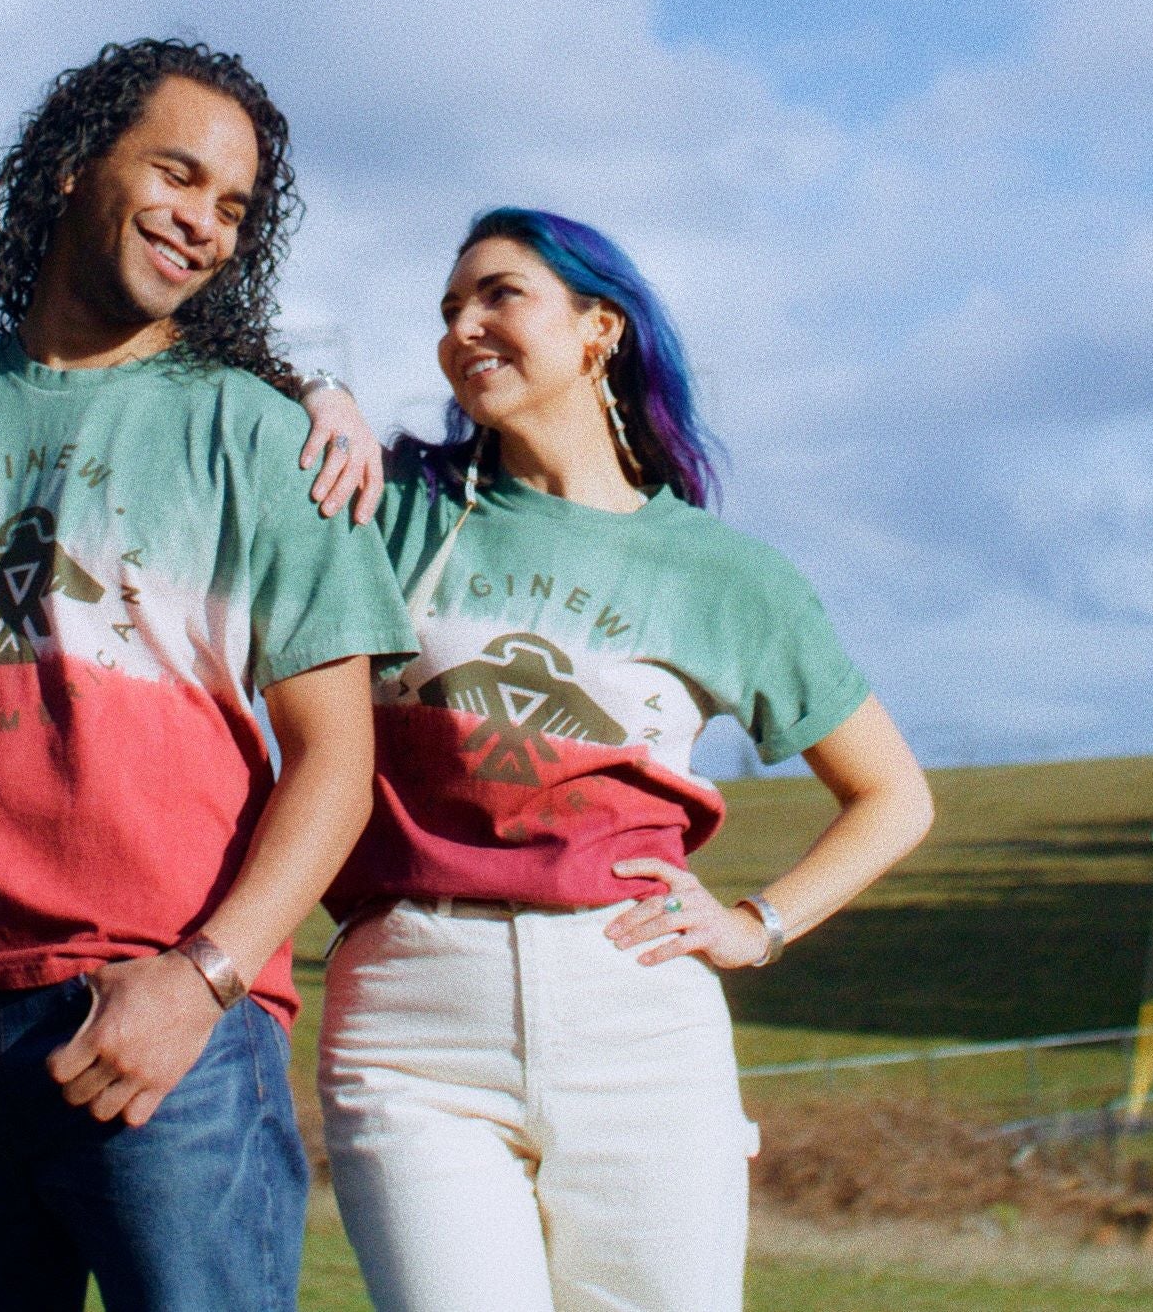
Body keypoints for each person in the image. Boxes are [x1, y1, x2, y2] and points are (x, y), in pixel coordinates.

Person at [0, 39, 416, 1311]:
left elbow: (338, 762)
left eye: (234, 209)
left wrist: (200, 981)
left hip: (168, 1031)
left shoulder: (266, 437)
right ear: (67, 166)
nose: (204, 226)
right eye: (177, 175)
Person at [300, 208, 935, 1312]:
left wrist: (754, 926)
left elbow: (891, 796)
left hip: (637, 1012)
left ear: (599, 328)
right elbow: (221, 409)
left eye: (499, 294)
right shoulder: (393, 512)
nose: (463, 328)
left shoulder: (720, 573)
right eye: (449, 310)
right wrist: (315, 393)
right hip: (411, 1018)